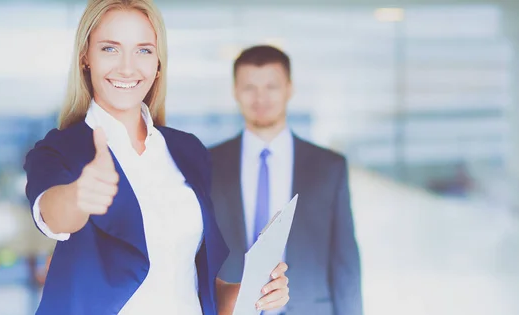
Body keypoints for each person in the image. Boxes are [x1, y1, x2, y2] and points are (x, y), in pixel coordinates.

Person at [23, 1, 289, 314]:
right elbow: (51, 215)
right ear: (86, 57)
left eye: (144, 50)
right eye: (110, 49)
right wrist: (78, 197)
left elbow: (191, 283)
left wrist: (250, 293)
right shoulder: (59, 149)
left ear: (158, 62)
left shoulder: (188, 151)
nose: (127, 67)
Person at [209, 45, 363, 315]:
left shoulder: (329, 167)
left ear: (289, 89)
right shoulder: (207, 163)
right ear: (235, 91)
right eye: (249, 87)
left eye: (271, 86)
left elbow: (345, 264)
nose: (261, 97)